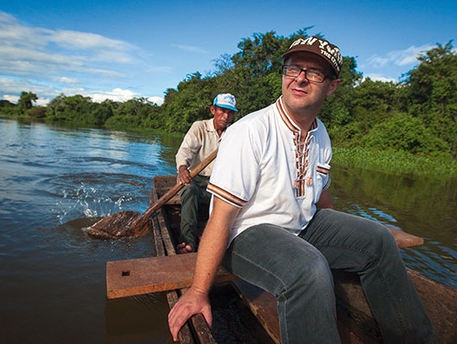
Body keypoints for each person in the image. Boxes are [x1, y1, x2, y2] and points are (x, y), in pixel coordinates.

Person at [168, 36, 435, 343]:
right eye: (294, 68)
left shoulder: (321, 135)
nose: (300, 78)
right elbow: (221, 217)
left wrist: (344, 234)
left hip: (300, 227)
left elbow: (320, 196)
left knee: (377, 240)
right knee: (309, 269)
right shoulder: (251, 131)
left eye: (315, 73)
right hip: (244, 234)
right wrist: (199, 291)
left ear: (331, 86)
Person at [175, 93, 237, 254]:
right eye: (222, 111)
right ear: (212, 110)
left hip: (216, 183)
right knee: (189, 191)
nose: (226, 116)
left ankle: (226, 244)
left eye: (230, 112)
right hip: (194, 180)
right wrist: (183, 169)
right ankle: (187, 242)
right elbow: (184, 152)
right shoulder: (200, 127)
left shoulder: (233, 135)